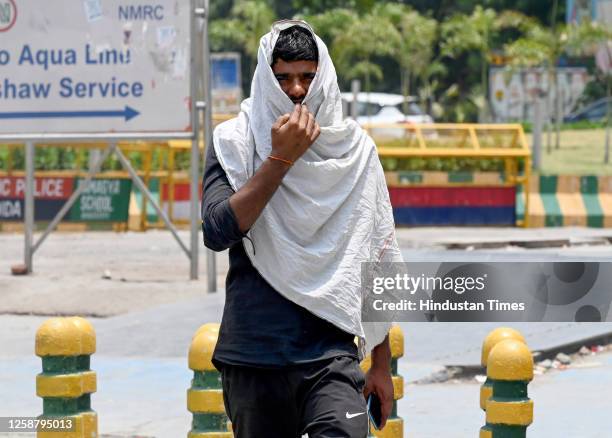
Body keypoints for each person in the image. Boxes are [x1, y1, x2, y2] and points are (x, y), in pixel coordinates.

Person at [201, 19, 403, 438]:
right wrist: (279, 160)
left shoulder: (355, 151)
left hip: (329, 353)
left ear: (324, 77)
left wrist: (381, 366)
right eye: (284, 78)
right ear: (266, 79)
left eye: (307, 77)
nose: (296, 91)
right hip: (253, 353)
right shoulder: (235, 143)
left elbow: (376, 261)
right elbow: (218, 231)